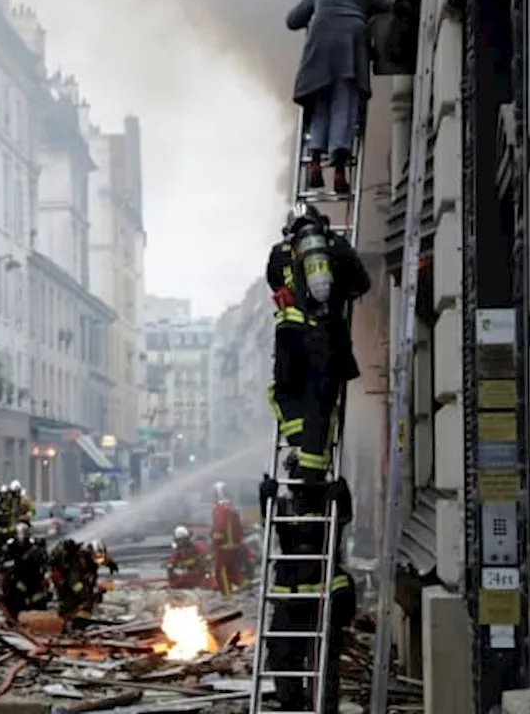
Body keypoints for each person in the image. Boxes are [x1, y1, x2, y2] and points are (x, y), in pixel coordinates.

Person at [266, 204, 371, 484]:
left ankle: (296, 438)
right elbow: (362, 284)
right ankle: (311, 472)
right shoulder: (337, 246)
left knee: (283, 392)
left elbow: (275, 282)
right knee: (320, 406)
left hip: (289, 337)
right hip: (326, 340)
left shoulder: (278, 253)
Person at [258, 461, 357, 714]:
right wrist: (265, 497)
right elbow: (270, 522)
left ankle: (323, 709)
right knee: (283, 657)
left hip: (322, 599)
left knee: (322, 664)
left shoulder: (330, 502)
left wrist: (343, 496)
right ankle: (291, 706)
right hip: (289, 599)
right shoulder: (284, 506)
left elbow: (344, 517)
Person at [287, 0, 393, 194]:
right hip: (351, 42)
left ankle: (315, 163)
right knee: (344, 104)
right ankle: (339, 171)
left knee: (320, 104)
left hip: (321, 42)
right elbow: (389, 5)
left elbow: (292, 21)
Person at [0, 523, 49, 620]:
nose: (22, 538)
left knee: (40, 598)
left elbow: (42, 563)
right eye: (21, 535)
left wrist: (42, 572)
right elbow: (4, 563)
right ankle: (14, 617)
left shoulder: (34, 547)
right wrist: (16, 563)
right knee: (14, 596)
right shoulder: (10, 546)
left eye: (25, 535)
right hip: (16, 578)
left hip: (32, 577)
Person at [210, 482, 247, 597]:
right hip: (235, 546)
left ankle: (227, 595)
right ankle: (243, 582)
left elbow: (219, 527)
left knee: (220, 571)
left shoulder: (219, 509)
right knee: (232, 569)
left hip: (224, 547)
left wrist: (215, 543)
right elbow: (240, 528)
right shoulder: (232, 509)